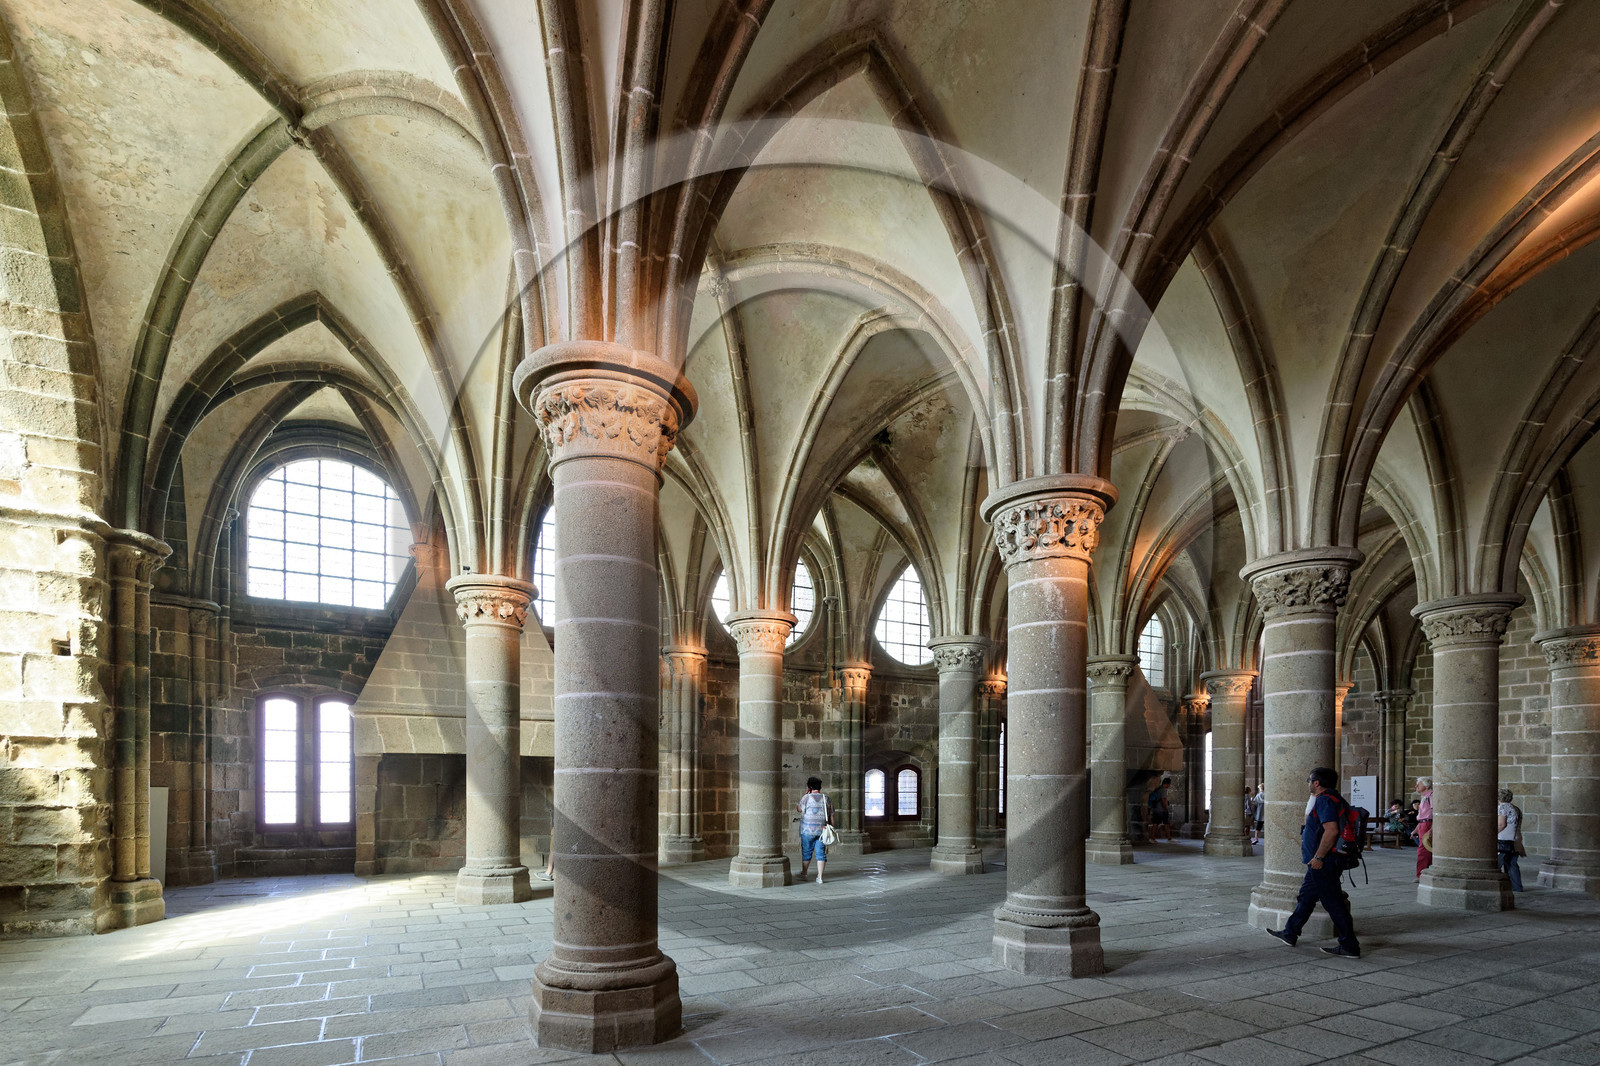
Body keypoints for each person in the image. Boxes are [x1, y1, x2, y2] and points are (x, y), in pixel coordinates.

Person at [1268, 766, 1361, 958]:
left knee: (1334, 903)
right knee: (1307, 897)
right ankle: (1290, 933)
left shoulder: (1325, 800)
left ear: (1316, 782)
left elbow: (1332, 831)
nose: (1309, 783)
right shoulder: (1333, 798)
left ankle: (1349, 945)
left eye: (1309, 780)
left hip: (1324, 861)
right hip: (1320, 861)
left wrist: (1318, 857)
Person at [796, 777, 834, 884]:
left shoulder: (806, 797)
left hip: (807, 830)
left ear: (810, 787)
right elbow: (832, 815)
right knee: (821, 853)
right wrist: (832, 827)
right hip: (822, 830)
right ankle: (820, 877)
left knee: (807, 852)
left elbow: (798, 809)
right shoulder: (827, 798)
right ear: (820, 786)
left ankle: (804, 873)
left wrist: (806, 795)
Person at [1497, 787, 1525, 892]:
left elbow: (1501, 824)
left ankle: (1495, 886)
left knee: (1496, 864)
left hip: (1504, 839)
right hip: (1515, 840)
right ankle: (1517, 887)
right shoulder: (1516, 808)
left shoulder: (1502, 807)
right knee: (1512, 864)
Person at [1414, 777, 1434, 881]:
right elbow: (1422, 816)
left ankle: (1421, 874)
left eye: (1419, 784)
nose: (1416, 786)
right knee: (1425, 849)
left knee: (1424, 850)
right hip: (1423, 824)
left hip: (1427, 824)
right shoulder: (1424, 797)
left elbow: (1434, 814)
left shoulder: (1431, 796)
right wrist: (1416, 829)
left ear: (1426, 786)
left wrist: (1431, 829)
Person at [1148, 775, 1173, 842]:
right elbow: (1163, 800)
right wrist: (1165, 808)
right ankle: (1169, 838)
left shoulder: (1158, 789)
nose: (1169, 785)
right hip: (1162, 810)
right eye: (1169, 784)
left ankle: (1152, 838)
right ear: (1167, 783)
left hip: (1155, 809)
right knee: (1166, 823)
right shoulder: (1163, 790)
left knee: (1155, 823)